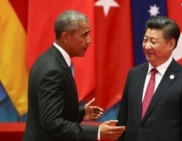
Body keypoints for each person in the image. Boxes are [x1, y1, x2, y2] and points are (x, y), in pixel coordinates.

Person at [22, 10, 125, 141]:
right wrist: (97, 131)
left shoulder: (49, 59)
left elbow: (52, 113)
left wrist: (80, 113)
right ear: (66, 37)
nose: (89, 41)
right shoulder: (52, 70)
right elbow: (51, 123)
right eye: (84, 35)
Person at [117, 16, 182, 141]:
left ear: (171, 44)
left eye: (153, 41)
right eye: (145, 40)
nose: (147, 46)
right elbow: (123, 120)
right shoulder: (134, 74)